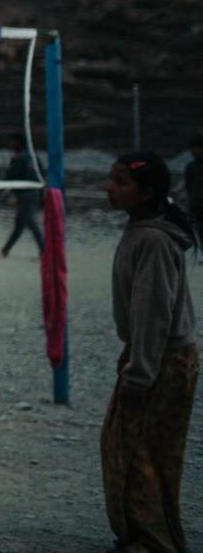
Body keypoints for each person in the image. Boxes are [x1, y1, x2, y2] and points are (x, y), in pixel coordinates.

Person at [100, 151, 197, 553]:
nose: (111, 188)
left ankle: (152, 541)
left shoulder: (154, 240)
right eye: (112, 178)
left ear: (147, 192)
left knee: (144, 452)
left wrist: (140, 373)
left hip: (162, 361)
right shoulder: (141, 229)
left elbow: (153, 312)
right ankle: (140, 534)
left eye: (121, 182)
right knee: (124, 443)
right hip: (148, 355)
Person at [0, 132, 44, 258]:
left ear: (18, 142)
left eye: (11, 141)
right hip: (33, 193)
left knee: (30, 223)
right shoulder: (33, 157)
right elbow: (41, 177)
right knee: (19, 224)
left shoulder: (19, 158)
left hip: (26, 195)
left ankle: (44, 250)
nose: (9, 144)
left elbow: (9, 179)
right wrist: (41, 196)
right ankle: (6, 249)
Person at [185, 132, 203, 243]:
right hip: (197, 210)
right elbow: (189, 189)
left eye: (197, 148)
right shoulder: (191, 167)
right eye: (192, 149)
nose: (194, 152)